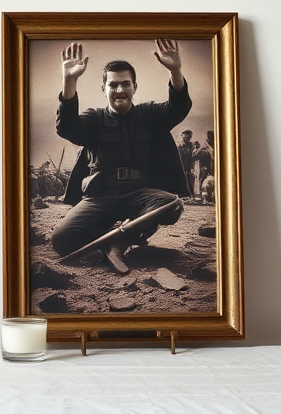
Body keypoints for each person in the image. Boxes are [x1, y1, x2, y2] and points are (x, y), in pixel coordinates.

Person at [51, 40, 192, 272]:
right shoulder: (94, 119)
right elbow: (67, 128)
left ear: (134, 87)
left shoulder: (149, 114)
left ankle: (120, 242)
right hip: (99, 198)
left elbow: (178, 108)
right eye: (113, 85)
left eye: (126, 84)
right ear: (104, 89)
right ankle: (108, 235)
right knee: (61, 239)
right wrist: (70, 80)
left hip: (139, 197)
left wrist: (175, 71)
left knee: (171, 203)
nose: (119, 90)